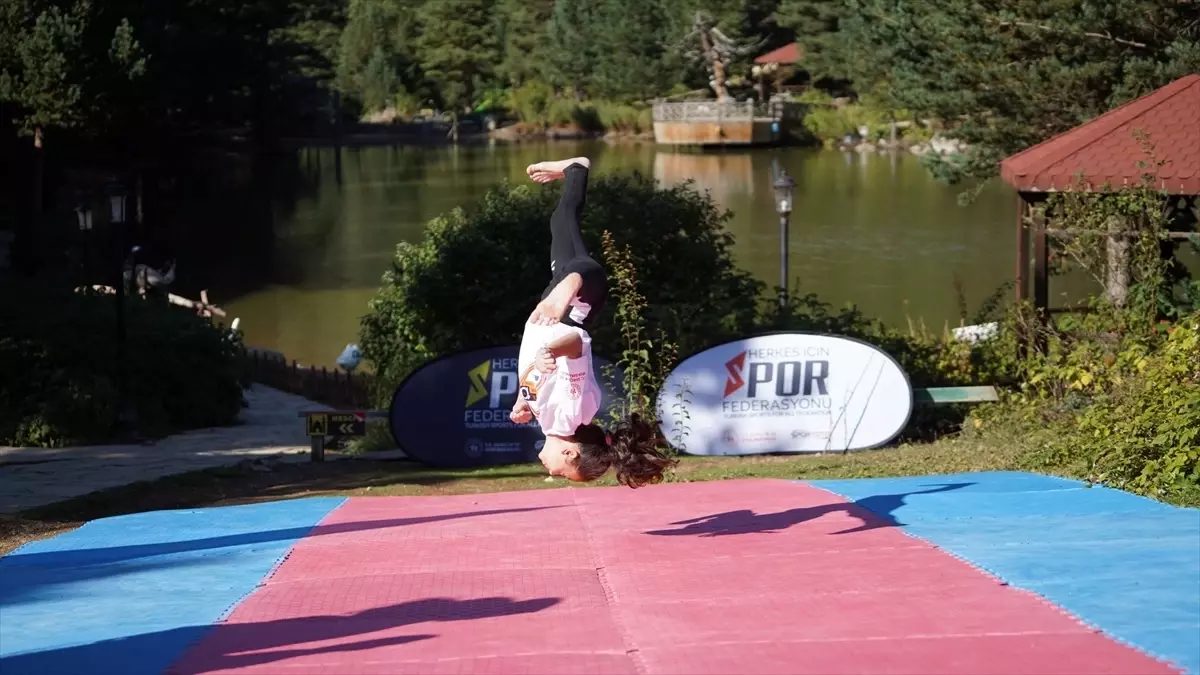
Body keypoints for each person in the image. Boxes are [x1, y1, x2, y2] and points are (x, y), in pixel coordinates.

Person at [509, 156, 676, 488]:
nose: (551, 471)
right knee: (581, 269)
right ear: (570, 453)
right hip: (576, 303)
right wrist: (551, 349)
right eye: (560, 472)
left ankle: (576, 170)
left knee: (562, 219)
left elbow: (540, 377)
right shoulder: (572, 415)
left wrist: (522, 399)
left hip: (563, 301)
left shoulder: (552, 421)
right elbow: (576, 345)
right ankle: (571, 283)